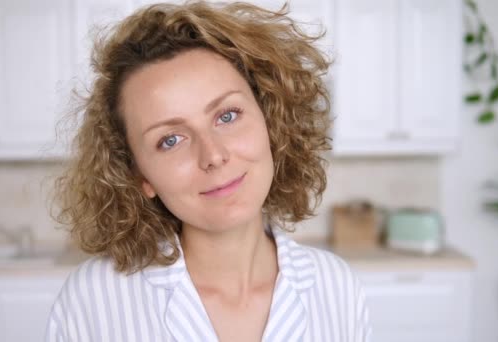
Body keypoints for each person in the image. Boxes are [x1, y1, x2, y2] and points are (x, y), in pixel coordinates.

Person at [45, 1, 371, 341]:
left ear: (270, 120)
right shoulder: (92, 301)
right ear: (140, 175)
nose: (213, 155)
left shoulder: (338, 289)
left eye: (227, 116)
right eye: (170, 140)